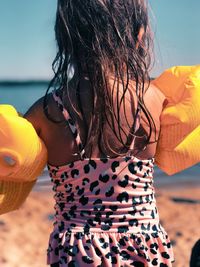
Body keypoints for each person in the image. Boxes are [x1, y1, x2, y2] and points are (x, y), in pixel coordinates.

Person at [25, 0, 174, 266]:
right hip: (143, 243)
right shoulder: (155, 100)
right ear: (139, 34)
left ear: (65, 36)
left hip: (76, 250)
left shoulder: (45, 112)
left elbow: (17, 167)